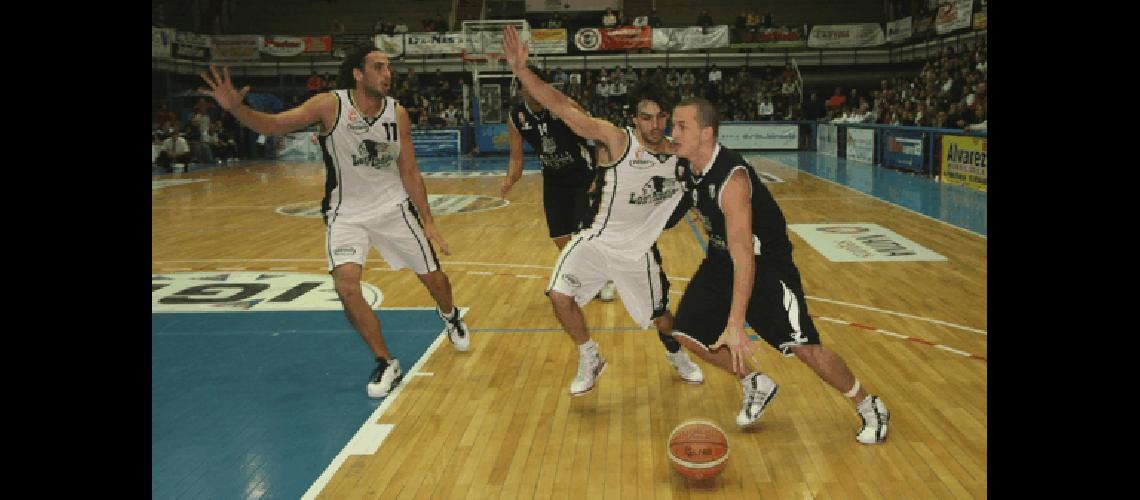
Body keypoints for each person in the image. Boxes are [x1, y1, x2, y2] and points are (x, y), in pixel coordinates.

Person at [198, 44, 471, 399]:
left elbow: (409, 170)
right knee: (346, 287)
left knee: (436, 281)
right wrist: (236, 109)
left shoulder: (397, 113)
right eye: (378, 67)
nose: (387, 74)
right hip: (346, 213)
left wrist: (429, 222)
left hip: (393, 208)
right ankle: (386, 361)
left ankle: (449, 315)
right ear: (358, 74)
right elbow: (275, 125)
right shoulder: (330, 105)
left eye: (388, 67)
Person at [666, 97, 890, 444]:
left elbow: (745, 258)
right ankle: (755, 382)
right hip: (721, 260)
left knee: (805, 349)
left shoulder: (732, 180)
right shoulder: (686, 167)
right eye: (673, 125)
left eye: (682, 126)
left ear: (706, 133)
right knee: (685, 332)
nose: (673, 132)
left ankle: (868, 405)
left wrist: (736, 324)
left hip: (766, 265)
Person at [502, 26, 705, 396]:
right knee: (559, 296)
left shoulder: (681, 155)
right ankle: (590, 355)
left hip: (638, 253)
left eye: (661, 117)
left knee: (662, 319)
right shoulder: (617, 140)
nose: (654, 125)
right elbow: (563, 108)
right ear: (634, 118)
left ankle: (677, 356)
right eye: (646, 117)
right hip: (597, 241)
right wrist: (521, 71)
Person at [501, 64, 618, 302]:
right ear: (521, 89)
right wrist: (510, 179)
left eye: (537, 86)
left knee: (584, 233)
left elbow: (598, 137)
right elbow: (516, 156)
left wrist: (600, 175)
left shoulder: (564, 106)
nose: (533, 93)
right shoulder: (517, 117)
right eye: (527, 87)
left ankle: (604, 279)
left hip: (582, 176)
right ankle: (581, 278)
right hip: (554, 180)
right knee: (559, 236)